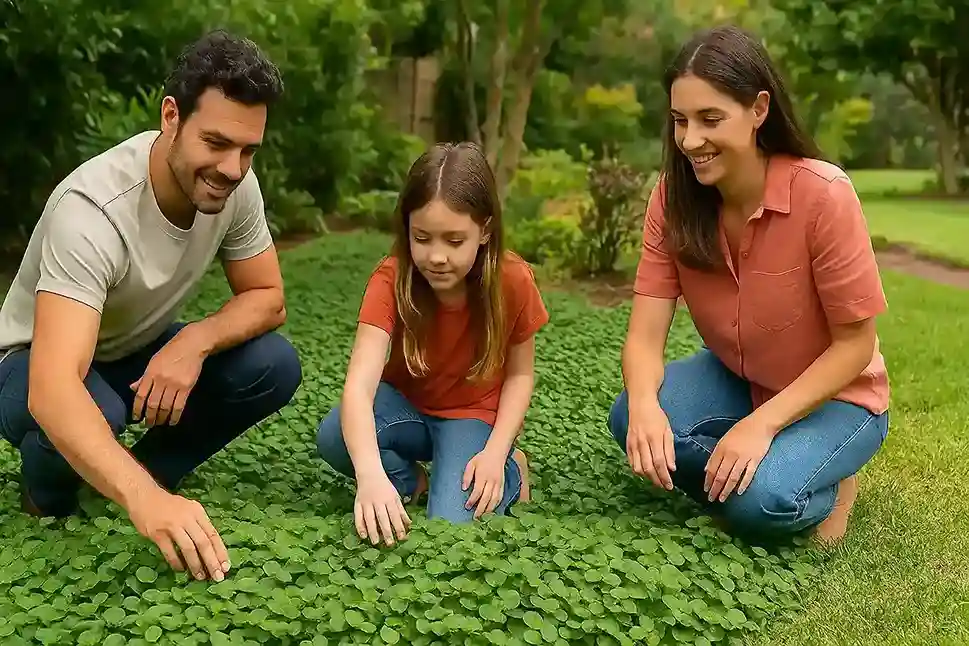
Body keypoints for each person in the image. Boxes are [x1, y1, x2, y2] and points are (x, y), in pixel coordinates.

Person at [0, 30, 302, 581]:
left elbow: (267, 297)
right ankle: (47, 495)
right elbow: (51, 386)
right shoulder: (93, 211)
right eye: (215, 143)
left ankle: (143, 472)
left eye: (248, 150)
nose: (233, 168)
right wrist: (145, 503)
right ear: (171, 117)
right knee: (93, 410)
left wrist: (194, 340)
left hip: (131, 347)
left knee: (273, 365)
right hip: (27, 362)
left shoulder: (237, 185)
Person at [608, 25, 890, 546]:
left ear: (759, 110)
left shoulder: (824, 197)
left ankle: (822, 482)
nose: (690, 140)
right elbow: (644, 339)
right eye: (679, 120)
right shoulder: (671, 202)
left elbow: (856, 346)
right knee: (629, 414)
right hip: (741, 380)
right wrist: (646, 408)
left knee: (760, 503)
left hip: (839, 397)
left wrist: (759, 427)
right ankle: (762, 466)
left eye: (710, 119)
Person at [316, 141, 549, 547]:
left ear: (485, 230)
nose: (436, 256)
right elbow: (357, 387)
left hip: (473, 417)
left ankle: (510, 468)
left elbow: (521, 375)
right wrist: (371, 478)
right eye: (422, 237)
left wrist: (495, 452)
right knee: (335, 438)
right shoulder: (392, 278)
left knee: (451, 526)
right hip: (408, 409)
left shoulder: (512, 280)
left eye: (454, 241)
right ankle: (415, 480)